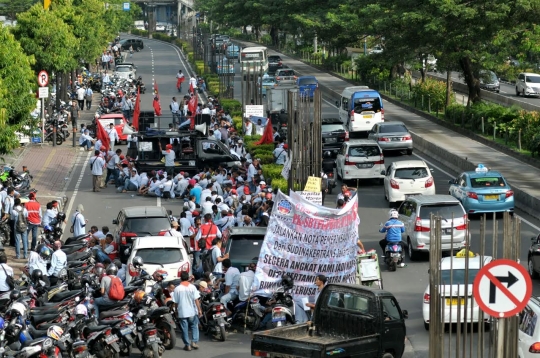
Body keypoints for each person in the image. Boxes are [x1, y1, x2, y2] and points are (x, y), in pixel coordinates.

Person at [172, 271, 202, 351]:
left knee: (184, 328)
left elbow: (176, 302)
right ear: (188, 278)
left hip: (182, 312)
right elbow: (196, 300)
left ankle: (187, 345)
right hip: (192, 312)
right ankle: (194, 342)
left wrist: (176, 311)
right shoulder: (192, 287)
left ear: (180, 278)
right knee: (194, 326)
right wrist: (199, 310)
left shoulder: (177, 289)